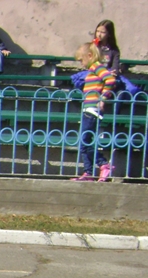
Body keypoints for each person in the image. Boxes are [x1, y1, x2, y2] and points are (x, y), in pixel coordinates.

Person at [71, 42, 115, 183]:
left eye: (81, 60)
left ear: (89, 56)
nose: (81, 64)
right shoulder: (92, 70)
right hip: (88, 109)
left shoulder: (97, 67)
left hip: (92, 110)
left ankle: (103, 164)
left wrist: (103, 98)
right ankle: (88, 172)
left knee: (85, 142)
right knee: (84, 142)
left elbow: (110, 79)